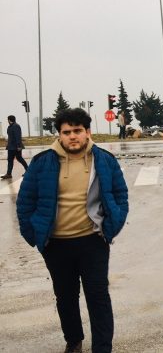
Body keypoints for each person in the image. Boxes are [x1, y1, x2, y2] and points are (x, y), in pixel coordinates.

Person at [16, 108, 128, 353]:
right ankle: (74, 341)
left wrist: (113, 224)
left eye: (77, 131)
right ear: (59, 135)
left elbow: (120, 195)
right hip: (55, 244)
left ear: (87, 132)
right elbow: (25, 201)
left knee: (98, 297)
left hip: (93, 241)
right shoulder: (42, 162)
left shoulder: (105, 160)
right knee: (65, 298)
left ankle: (102, 347)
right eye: (66, 132)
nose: (72, 136)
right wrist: (34, 235)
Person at [2, 115, 29, 179]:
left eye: (7, 120)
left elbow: (18, 136)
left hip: (16, 147)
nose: (7, 121)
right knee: (10, 160)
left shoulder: (16, 126)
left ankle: (28, 171)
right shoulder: (10, 127)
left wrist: (19, 146)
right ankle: (9, 174)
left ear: (9, 120)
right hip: (11, 147)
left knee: (19, 158)